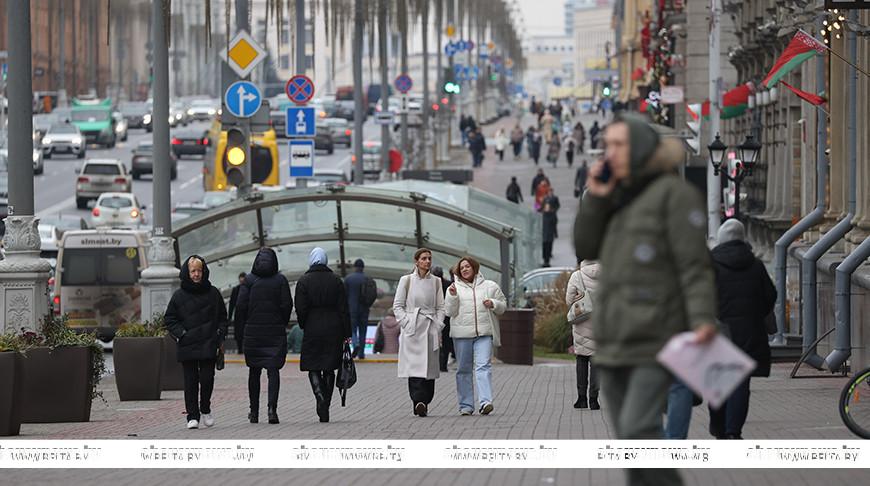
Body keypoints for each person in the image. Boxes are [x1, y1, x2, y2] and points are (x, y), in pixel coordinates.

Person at [574, 113, 717, 486]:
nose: (611, 153)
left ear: (640, 148)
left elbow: (694, 265)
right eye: (609, 145)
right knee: (630, 441)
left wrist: (702, 320)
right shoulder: (611, 197)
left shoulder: (674, 195)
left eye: (620, 144)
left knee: (639, 429)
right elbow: (586, 247)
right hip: (614, 336)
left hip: (657, 333)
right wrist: (595, 199)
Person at [709, 219, 776, 440]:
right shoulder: (756, 265)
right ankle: (733, 432)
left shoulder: (711, 265)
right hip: (749, 331)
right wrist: (754, 314)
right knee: (740, 383)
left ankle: (718, 426)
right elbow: (770, 296)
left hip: (719, 331)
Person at [164, 255, 228, 430]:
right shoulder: (179, 296)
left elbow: (223, 317)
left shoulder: (213, 293)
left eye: (199, 270)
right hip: (188, 344)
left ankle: (205, 409)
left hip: (208, 342)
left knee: (207, 379)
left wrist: (219, 334)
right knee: (190, 381)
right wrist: (182, 334)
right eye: (193, 271)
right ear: (187, 272)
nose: (196, 274)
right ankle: (192, 416)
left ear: (204, 271)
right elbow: (170, 319)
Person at [235, 247, 293, 425]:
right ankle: (272, 410)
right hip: (274, 331)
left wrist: (243, 329)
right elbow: (287, 305)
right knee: (273, 371)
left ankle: (253, 412)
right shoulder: (280, 280)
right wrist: (280, 322)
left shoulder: (249, 281)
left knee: (254, 371)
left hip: (253, 332)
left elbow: (241, 307)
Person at [445, 256, 507, 416]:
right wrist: (452, 297)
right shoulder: (453, 288)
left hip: (484, 334)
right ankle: (466, 406)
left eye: (467, 266)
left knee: (483, 367)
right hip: (462, 335)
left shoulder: (490, 286)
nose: (465, 269)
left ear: (474, 268)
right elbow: (449, 312)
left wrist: (493, 303)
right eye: (462, 268)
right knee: (463, 369)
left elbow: (503, 306)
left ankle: (486, 402)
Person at [295, 247, 352, 423]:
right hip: (333, 327)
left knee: (313, 366)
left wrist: (304, 324)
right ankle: (325, 402)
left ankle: (319, 396)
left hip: (313, 327)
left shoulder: (303, 281)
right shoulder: (336, 281)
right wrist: (346, 332)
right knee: (329, 366)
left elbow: (300, 308)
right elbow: (344, 309)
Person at [393, 248, 445, 417]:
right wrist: (407, 323)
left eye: (429, 258)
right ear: (416, 261)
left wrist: (438, 324)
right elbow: (397, 305)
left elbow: (441, 306)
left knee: (429, 367)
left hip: (430, 327)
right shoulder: (406, 280)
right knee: (414, 367)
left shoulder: (436, 281)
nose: (427, 261)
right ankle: (418, 401)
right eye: (423, 258)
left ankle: (425, 401)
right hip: (413, 328)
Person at [566, 260, 600, 410]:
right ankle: (594, 400)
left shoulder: (576, 276)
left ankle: (581, 398)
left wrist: (577, 298)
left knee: (582, 359)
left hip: (582, 321)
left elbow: (568, 301)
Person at [345, 258, 375, 360]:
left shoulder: (349, 279)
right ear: (363, 267)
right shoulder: (368, 278)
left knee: (352, 329)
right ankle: (361, 354)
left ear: (354, 267)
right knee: (363, 331)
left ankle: (355, 343)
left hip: (352, 308)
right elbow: (373, 294)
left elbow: (344, 295)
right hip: (364, 309)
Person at [432, 266, 454, 373]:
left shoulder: (431, 284)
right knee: (446, 342)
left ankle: (435, 364)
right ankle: (443, 365)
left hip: (434, 315)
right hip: (447, 317)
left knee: (433, 341)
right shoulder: (448, 284)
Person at [228, 272, 246, 352]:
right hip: (240, 315)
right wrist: (229, 316)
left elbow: (232, 304)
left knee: (242, 332)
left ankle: (241, 349)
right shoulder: (236, 289)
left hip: (243, 315)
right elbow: (232, 304)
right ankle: (240, 349)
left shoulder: (237, 289)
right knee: (239, 333)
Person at [541, 188, 560, 267]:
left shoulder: (552, 216)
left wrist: (555, 233)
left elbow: (554, 224)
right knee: (545, 245)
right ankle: (545, 259)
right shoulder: (544, 215)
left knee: (549, 245)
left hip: (549, 233)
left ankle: (547, 260)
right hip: (545, 233)